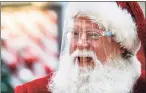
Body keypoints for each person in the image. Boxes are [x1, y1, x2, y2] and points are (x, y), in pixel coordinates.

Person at [15, 2, 146, 93]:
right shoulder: (32, 91)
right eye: (75, 34)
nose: (81, 43)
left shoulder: (142, 87)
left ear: (121, 44)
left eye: (93, 35)